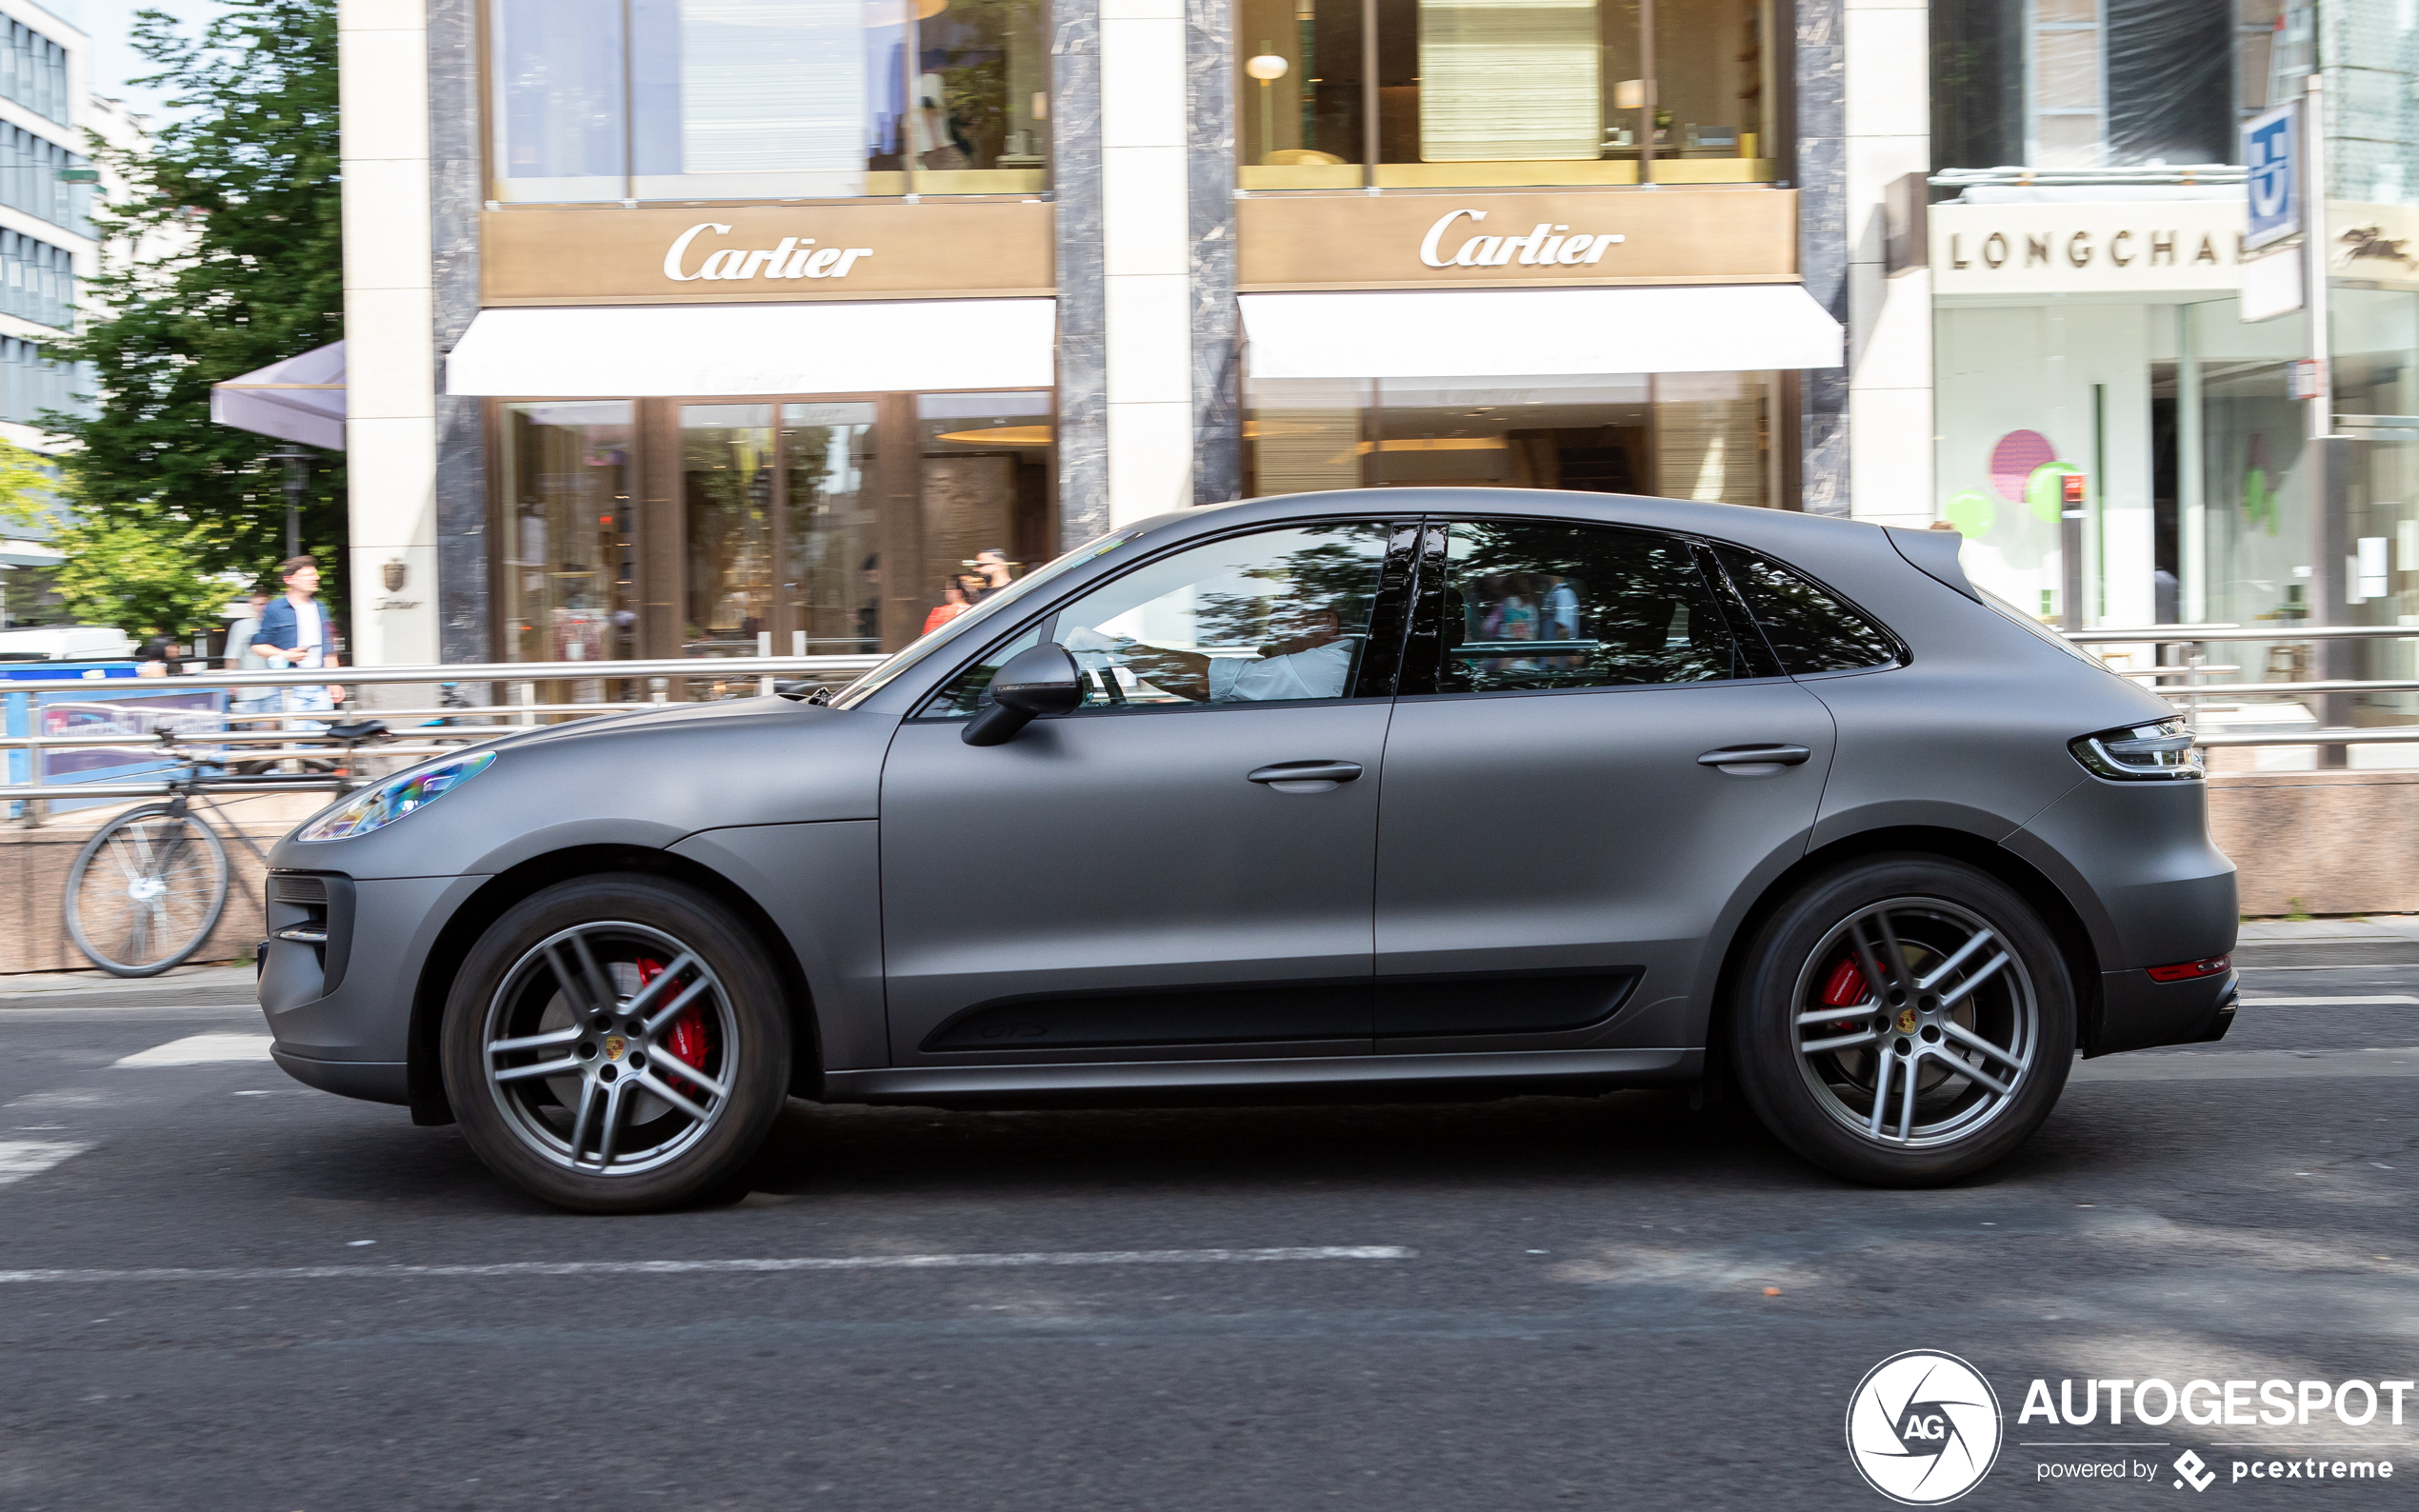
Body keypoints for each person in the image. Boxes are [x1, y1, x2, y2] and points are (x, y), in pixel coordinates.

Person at [1066, 601, 1355, 704]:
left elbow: (1206, 682)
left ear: (1324, 623)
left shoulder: (1327, 665)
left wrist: (1108, 645)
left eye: (1280, 620)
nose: (1262, 646)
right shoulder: (1349, 665)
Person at [250, 555, 337, 730]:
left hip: (320, 683)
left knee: (321, 738)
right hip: (291, 685)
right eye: (308, 575)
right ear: (289, 580)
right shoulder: (275, 608)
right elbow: (258, 646)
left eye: (315, 574)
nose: (316, 578)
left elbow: (328, 648)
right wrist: (285, 655)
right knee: (297, 739)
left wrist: (334, 681)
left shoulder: (321, 607)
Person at [224, 592, 277, 726]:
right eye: (259, 604)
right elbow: (233, 655)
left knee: (271, 725)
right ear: (252, 606)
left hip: (273, 686)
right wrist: (232, 682)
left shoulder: (277, 625)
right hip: (249, 687)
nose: (262, 607)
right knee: (252, 727)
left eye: (265, 603)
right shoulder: (241, 626)